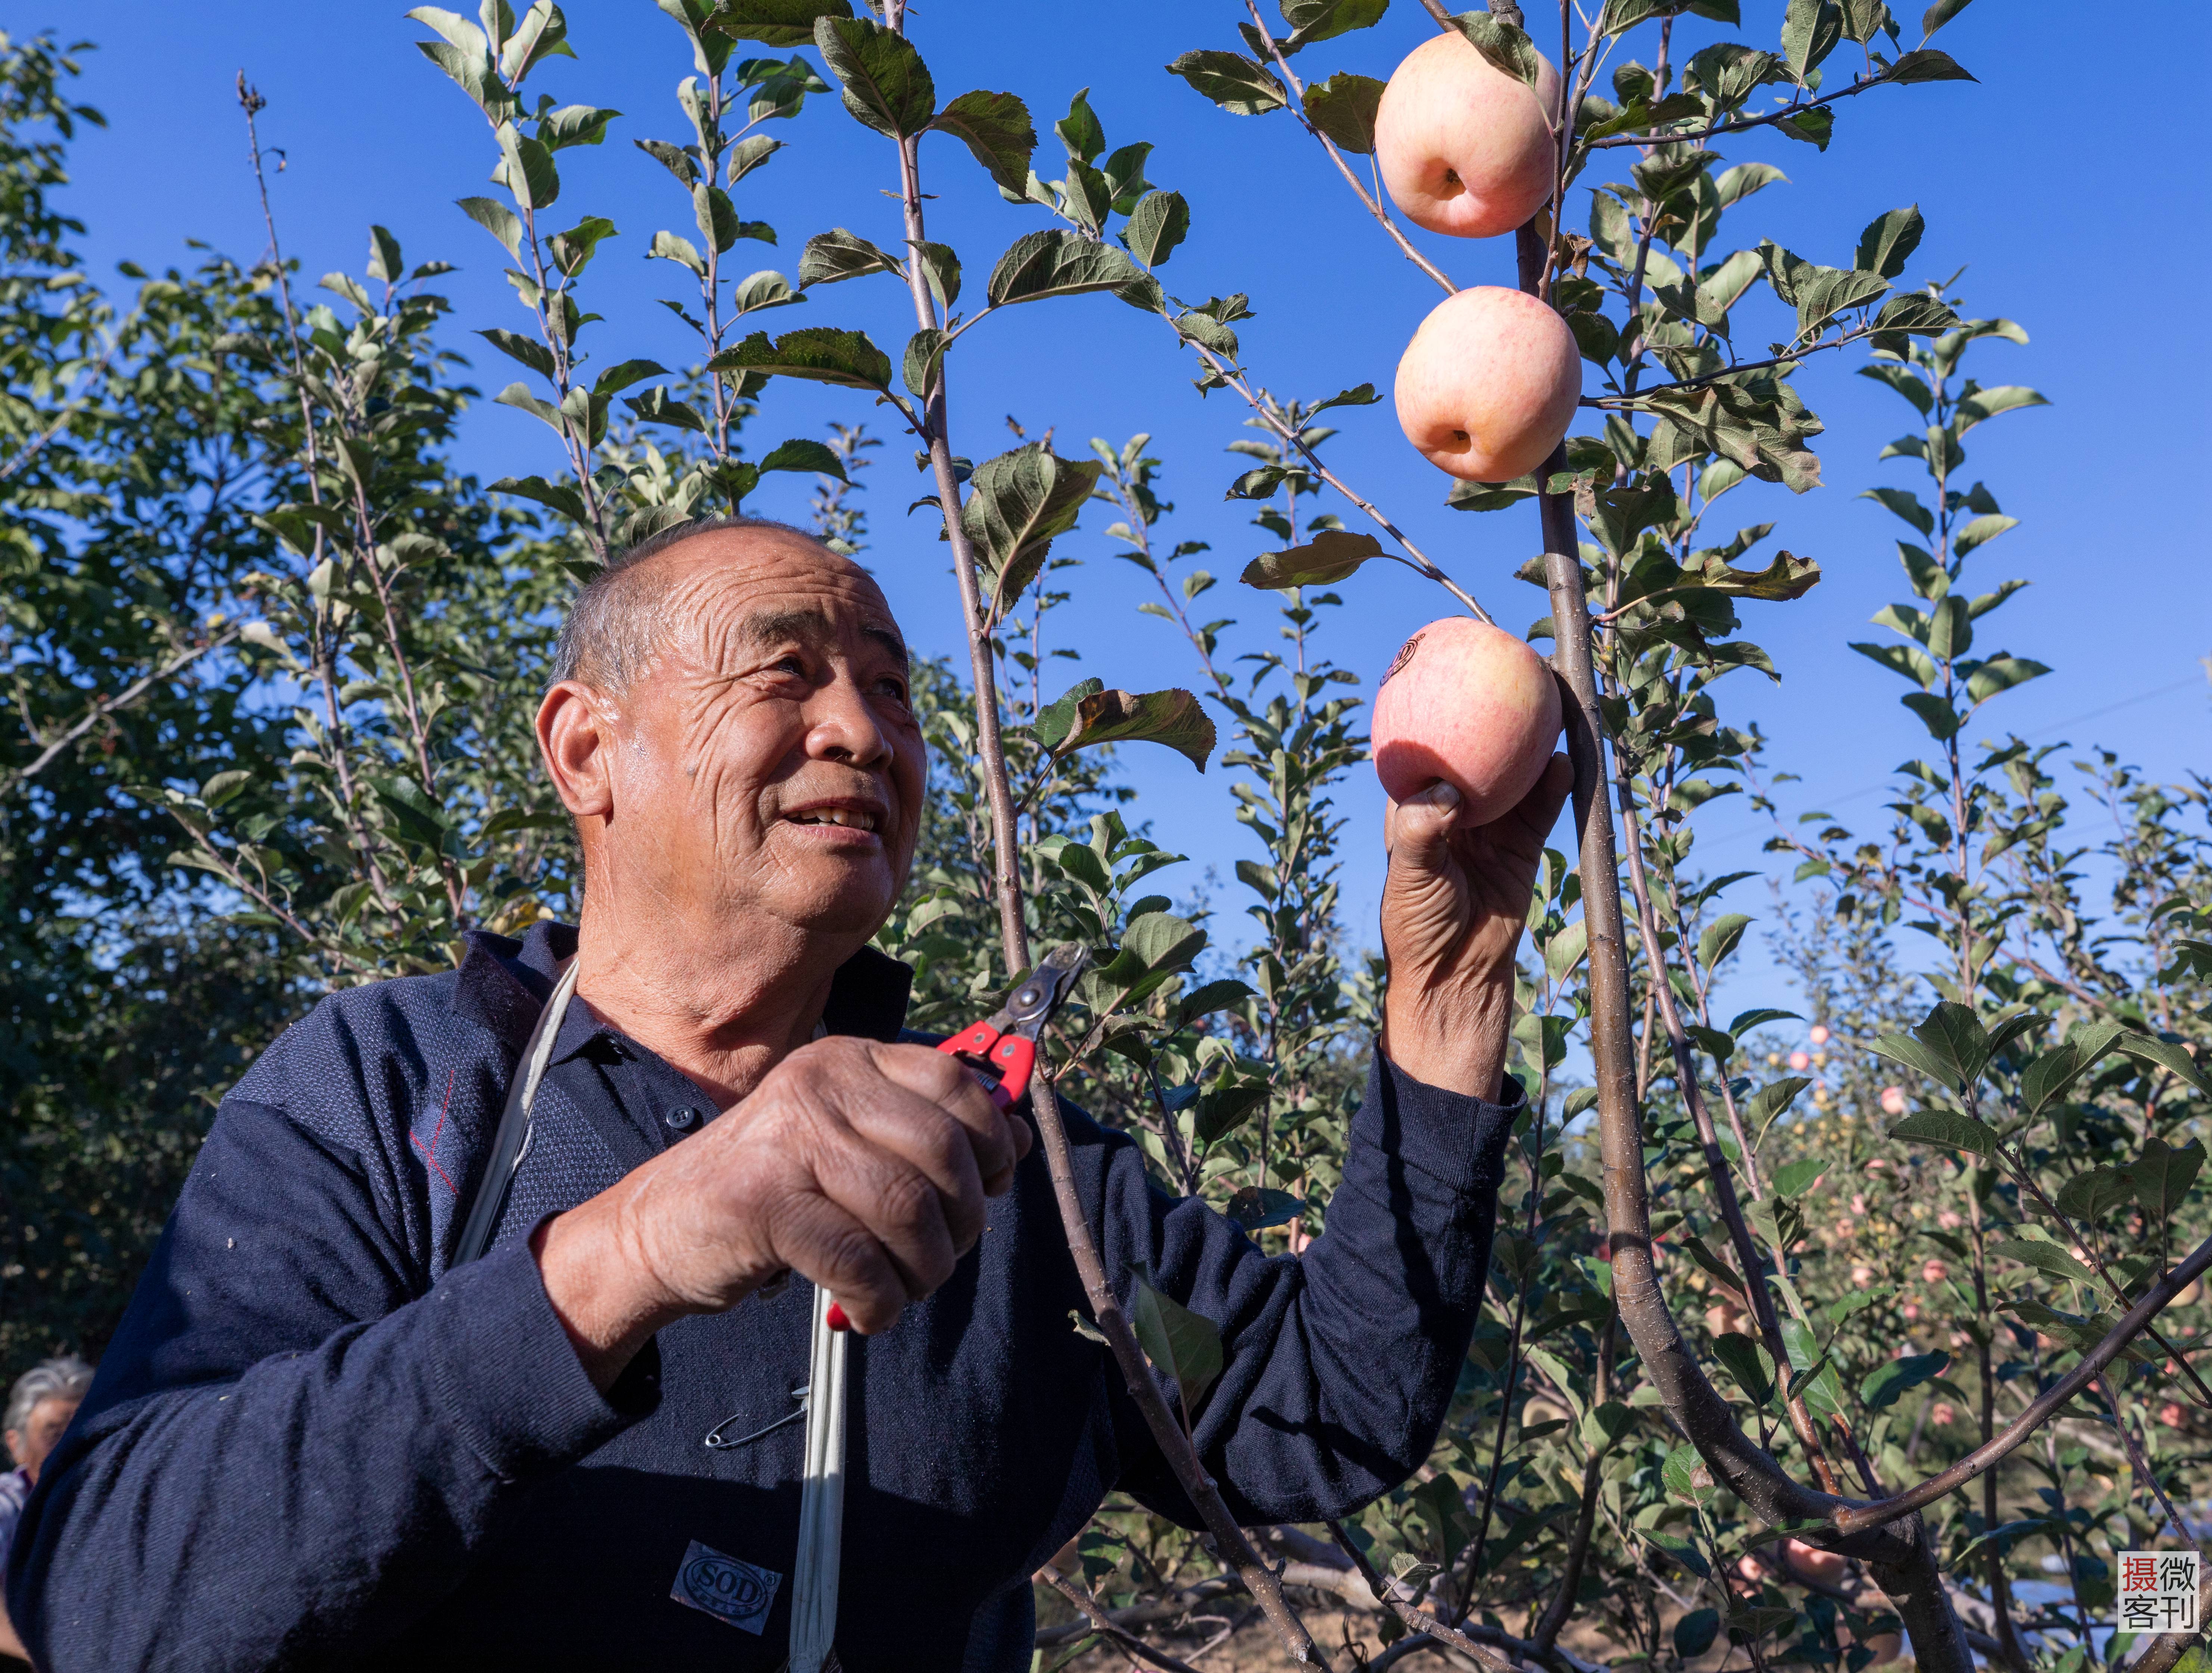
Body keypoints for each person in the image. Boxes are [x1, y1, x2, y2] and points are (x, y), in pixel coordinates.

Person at [10, 517, 1572, 1672]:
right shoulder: (394, 1092)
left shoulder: (997, 1152)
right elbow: (113, 1599)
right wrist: (635, 1247)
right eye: (786, 670)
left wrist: (1446, 993)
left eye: (891, 691)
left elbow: (1321, 1413)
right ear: (585, 748)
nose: (860, 727)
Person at [0, 1356, 91, 1663]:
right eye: (53, 1434)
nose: (70, 1446)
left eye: (83, 1430)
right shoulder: (7, 1503)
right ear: (16, 1446)